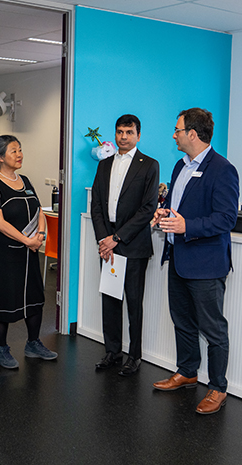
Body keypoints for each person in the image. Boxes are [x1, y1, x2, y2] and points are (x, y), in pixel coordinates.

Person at [151, 108, 239, 415]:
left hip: (206, 263)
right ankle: (187, 371)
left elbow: (227, 219)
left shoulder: (222, 169)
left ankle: (217, 387)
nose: (173, 135)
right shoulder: (180, 166)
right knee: (183, 322)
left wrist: (187, 226)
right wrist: (164, 212)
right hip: (178, 258)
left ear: (192, 134)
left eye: (177, 130)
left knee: (213, 329)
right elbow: (177, 204)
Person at [90, 114, 160, 376]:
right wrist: (103, 239)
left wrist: (116, 238)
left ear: (138, 135)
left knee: (133, 301)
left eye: (129, 132)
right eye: (119, 132)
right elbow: (96, 204)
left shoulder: (149, 165)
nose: (123, 137)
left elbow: (147, 209)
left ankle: (135, 356)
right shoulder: (105, 164)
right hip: (107, 242)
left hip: (132, 243)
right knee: (109, 298)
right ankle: (112, 352)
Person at [0, 134, 58, 369]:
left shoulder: (25, 180)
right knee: (4, 298)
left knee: (35, 297)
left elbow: (39, 211)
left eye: (20, 150)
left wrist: (41, 236)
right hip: (4, 253)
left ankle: (33, 343)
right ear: (0, 157)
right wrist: (28, 240)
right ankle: (1, 349)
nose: (19, 155)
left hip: (29, 250)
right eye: (14, 151)